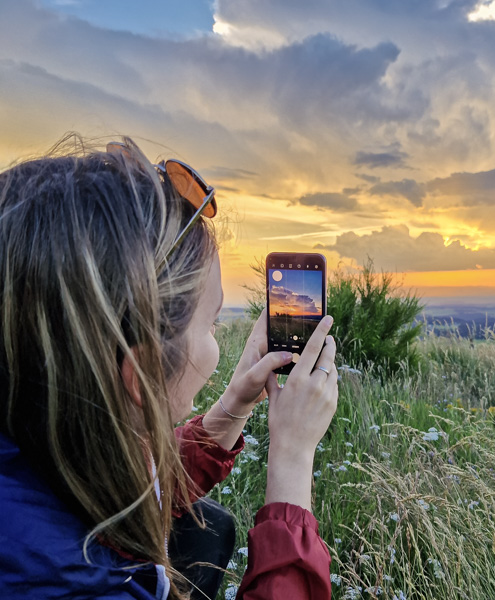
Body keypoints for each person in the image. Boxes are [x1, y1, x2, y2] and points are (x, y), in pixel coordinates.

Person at [0, 136, 338, 599]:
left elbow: (135, 485)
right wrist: (292, 462)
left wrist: (235, 405)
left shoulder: (42, 436)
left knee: (210, 527)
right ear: (139, 375)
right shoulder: (77, 586)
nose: (220, 338)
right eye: (214, 323)